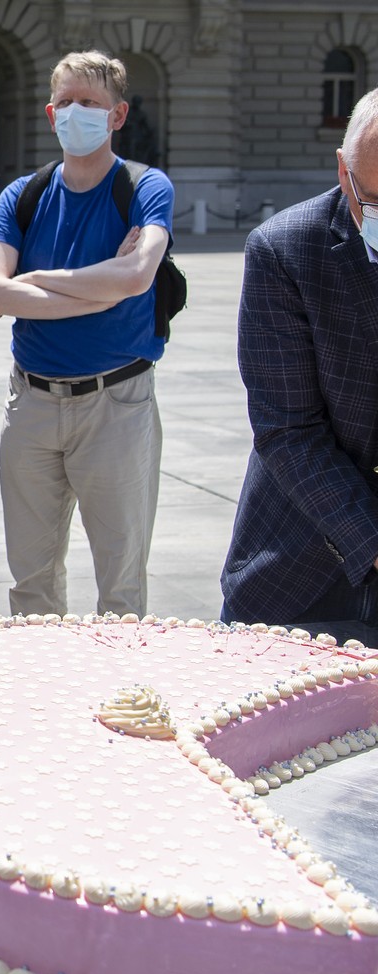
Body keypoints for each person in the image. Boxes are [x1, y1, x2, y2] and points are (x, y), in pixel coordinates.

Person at [0, 51, 174, 616]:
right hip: (32, 404)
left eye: (89, 103)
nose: (75, 113)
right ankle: (45, 696)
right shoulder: (24, 195)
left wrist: (40, 282)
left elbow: (138, 275)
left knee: (121, 583)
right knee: (31, 582)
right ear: (49, 113)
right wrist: (100, 289)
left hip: (117, 402)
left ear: (117, 115)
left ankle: (122, 701)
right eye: (65, 102)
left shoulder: (145, 186)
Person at [220, 88, 378, 629]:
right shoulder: (285, 249)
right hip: (296, 572)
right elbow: (289, 430)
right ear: (343, 171)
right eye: (374, 201)